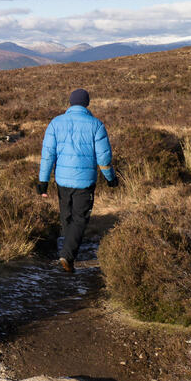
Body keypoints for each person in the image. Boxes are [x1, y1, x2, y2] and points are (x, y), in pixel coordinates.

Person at [37, 89, 118, 272]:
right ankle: (67, 255)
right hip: (85, 182)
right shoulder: (96, 125)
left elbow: (48, 155)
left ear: (70, 103)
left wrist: (43, 181)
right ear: (86, 103)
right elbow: (103, 159)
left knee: (67, 216)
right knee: (80, 219)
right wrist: (111, 178)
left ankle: (67, 251)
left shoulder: (55, 123)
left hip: (62, 181)